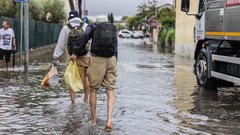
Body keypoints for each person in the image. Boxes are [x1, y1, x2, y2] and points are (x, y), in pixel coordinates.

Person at [70, 16, 118, 132]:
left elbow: (84, 38)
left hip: (98, 60)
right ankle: (109, 121)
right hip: (111, 59)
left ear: (97, 21)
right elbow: (115, 45)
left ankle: (94, 120)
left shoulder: (93, 26)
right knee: (110, 90)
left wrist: (75, 53)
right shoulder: (113, 28)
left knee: (93, 90)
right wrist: (116, 59)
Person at [53, 10, 91, 104]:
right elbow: (91, 41)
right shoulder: (86, 26)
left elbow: (60, 44)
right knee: (87, 79)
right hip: (86, 56)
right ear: (79, 17)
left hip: (73, 58)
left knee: (71, 79)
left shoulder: (66, 28)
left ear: (69, 18)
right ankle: (86, 100)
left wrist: (55, 56)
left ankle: (73, 103)